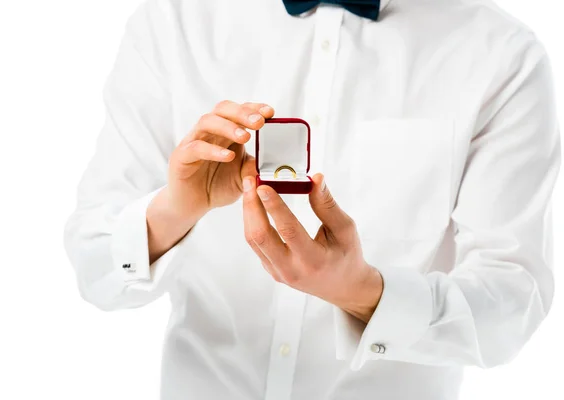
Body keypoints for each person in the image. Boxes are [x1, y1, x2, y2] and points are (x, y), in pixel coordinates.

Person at [64, 0, 560, 398]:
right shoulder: (175, 21)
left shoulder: (502, 56)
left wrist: (364, 292)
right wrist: (177, 208)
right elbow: (96, 266)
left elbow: (512, 300)